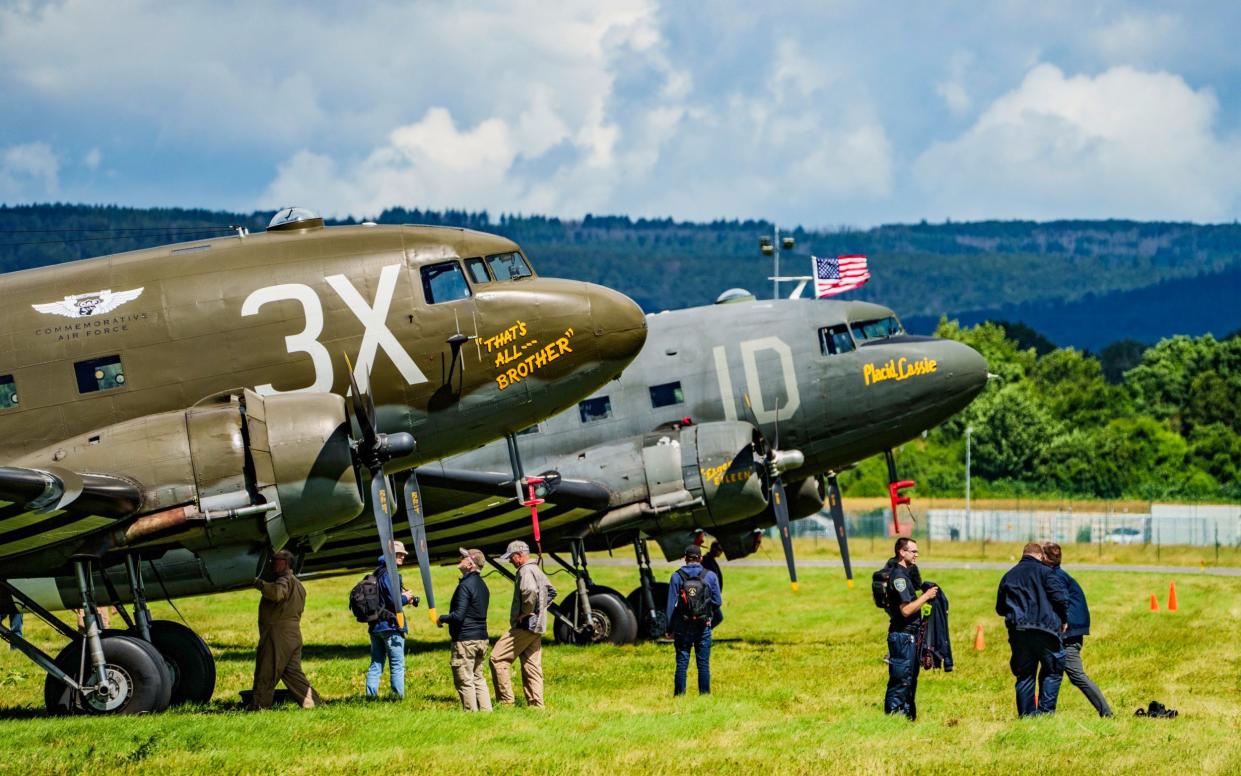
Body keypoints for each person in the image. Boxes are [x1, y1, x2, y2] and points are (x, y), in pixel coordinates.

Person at [996, 542, 1069, 717]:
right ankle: (1045, 714)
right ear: (1041, 556)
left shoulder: (1009, 575)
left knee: (1025, 675)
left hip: (1019, 632)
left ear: (1024, 554)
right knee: (1052, 671)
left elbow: (1000, 608)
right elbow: (1060, 599)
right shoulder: (1047, 573)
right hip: (1046, 631)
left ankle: (1026, 716)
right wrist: (1063, 620)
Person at [1042, 543, 1112, 717]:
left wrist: (1062, 623)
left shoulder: (1054, 577)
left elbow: (1061, 601)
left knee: (1076, 675)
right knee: (1049, 670)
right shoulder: (1058, 574)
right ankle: (1043, 713)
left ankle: (1107, 713)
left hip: (1068, 633)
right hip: (1070, 630)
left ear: (1045, 558)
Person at [249, 549, 320, 710]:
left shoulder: (284, 580)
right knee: (294, 675)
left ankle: (258, 707)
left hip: (278, 635)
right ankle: (314, 704)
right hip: (293, 635)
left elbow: (277, 594)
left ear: (286, 563)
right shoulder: (298, 584)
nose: (272, 562)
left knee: (266, 672)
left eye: (276, 560)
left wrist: (259, 583)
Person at [490, 540, 556, 708]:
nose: (510, 561)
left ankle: (505, 703)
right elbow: (552, 591)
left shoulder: (525, 571)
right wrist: (540, 610)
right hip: (537, 626)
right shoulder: (536, 569)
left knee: (497, 658)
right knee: (531, 667)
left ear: (519, 556)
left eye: (511, 558)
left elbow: (529, 591)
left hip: (525, 625)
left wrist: (526, 613)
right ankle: (536, 707)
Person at [883, 537, 938, 720]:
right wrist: (926, 596)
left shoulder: (907, 574)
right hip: (902, 636)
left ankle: (907, 718)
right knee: (901, 680)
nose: (916, 554)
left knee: (910, 679)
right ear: (902, 552)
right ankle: (893, 718)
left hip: (910, 636)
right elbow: (906, 610)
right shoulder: (899, 577)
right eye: (913, 551)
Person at [438, 547, 492, 712]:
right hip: (482, 638)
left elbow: (459, 616)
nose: (459, 559)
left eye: (463, 557)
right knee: (478, 677)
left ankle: (471, 714)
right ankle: (486, 712)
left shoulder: (465, 586)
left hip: (465, 640)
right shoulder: (483, 585)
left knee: (464, 679)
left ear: (470, 563)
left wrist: (441, 618)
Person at [664, 544, 722, 696]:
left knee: (682, 663)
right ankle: (704, 696)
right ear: (700, 558)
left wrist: (669, 629)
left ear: (685, 558)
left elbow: (670, 606)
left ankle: (679, 696)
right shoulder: (710, 576)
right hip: (703, 626)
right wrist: (705, 610)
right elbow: (717, 602)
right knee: (703, 664)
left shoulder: (676, 576)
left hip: (682, 626)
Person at [366, 541, 417, 700]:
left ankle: (370, 697)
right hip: (391, 626)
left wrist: (405, 598)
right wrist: (406, 597)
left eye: (403, 554)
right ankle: (397, 698)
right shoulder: (390, 573)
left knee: (376, 663)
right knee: (397, 665)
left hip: (375, 626)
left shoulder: (377, 572)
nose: (402, 556)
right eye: (398, 554)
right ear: (390, 554)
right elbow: (394, 601)